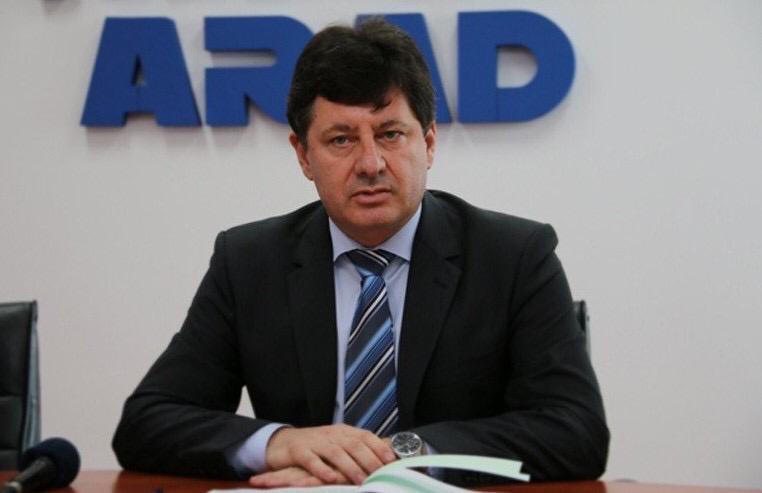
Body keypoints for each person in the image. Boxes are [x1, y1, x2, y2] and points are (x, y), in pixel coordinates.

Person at [112, 19, 609, 488]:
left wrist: (407, 454)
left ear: (428, 143)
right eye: (341, 140)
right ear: (303, 156)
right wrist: (280, 444)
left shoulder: (514, 256)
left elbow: (576, 431)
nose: (371, 164)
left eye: (391, 134)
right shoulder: (249, 262)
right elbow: (147, 422)